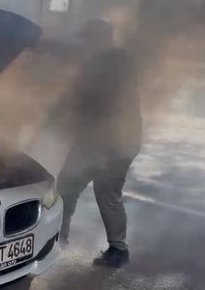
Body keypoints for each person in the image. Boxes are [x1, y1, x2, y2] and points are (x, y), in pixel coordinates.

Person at [56, 18, 142, 268]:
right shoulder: (100, 61)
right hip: (96, 139)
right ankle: (58, 239)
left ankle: (118, 249)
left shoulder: (115, 62)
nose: (84, 45)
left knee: (106, 194)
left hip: (114, 141)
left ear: (99, 39)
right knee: (66, 187)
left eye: (87, 40)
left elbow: (95, 100)